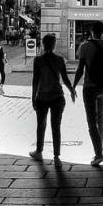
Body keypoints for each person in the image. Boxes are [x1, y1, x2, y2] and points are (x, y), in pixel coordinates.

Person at [72, 19, 103, 167]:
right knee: (101, 120)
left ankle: (98, 153)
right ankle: (100, 148)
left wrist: (73, 86)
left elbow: (80, 69)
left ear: (91, 31)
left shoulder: (85, 46)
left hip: (89, 87)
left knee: (91, 122)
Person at [29, 33, 76, 168]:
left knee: (41, 125)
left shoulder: (38, 60)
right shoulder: (60, 60)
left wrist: (33, 97)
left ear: (43, 45)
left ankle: (39, 151)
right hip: (57, 97)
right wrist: (72, 90)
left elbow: (35, 81)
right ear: (54, 45)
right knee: (56, 127)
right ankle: (56, 157)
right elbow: (65, 79)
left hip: (42, 97)